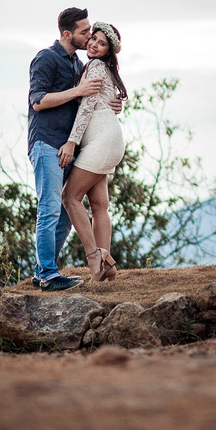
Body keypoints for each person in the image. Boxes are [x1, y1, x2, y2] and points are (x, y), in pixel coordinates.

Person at [27, 7, 122, 291]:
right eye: (86, 32)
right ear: (68, 34)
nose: (90, 37)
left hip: (75, 146)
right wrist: (78, 92)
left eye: (95, 35)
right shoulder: (46, 58)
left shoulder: (78, 64)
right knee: (52, 208)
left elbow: (94, 100)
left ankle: (47, 271)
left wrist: (114, 102)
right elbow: (38, 101)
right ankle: (48, 273)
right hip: (48, 142)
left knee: (68, 209)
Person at [55, 21, 129, 282]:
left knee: (70, 197)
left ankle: (94, 258)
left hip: (101, 141)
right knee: (99, 205)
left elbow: (87, 108)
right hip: (108, 140)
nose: (94, 45)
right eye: (93, 39)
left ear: (109, 51)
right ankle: (107, 267)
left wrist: (71, 142)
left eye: (102, 43)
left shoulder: (96, 66)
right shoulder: (103, 68)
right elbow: (106, 101)